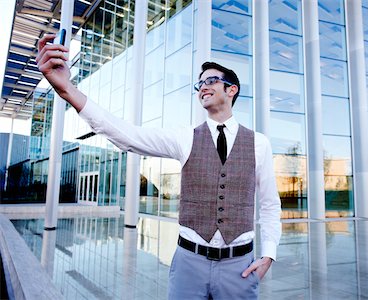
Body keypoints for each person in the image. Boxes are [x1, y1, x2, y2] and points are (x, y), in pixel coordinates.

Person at [37, 34, 281, 299]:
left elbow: (269, 204)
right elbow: (127, 136)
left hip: (240, 268)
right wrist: (67, 90)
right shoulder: (185, 137)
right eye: (199, 84)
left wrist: (269, 254)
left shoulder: (260, 144)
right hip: (189, 264)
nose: (203, 87)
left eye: (211, 80)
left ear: (231, 89)